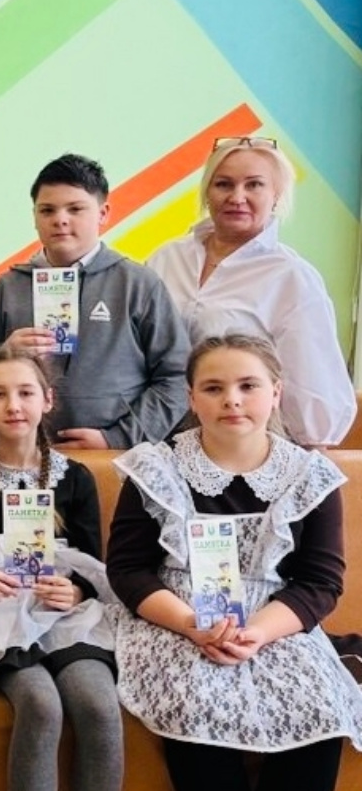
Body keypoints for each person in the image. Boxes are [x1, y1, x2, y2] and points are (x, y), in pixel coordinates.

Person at [106, 334, 362, 791]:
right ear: (192, 398)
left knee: (320, 708)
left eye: (248, 385)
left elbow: (320, 582)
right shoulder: (155, 469)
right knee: (196, 703)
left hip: (276, 622)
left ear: (275, 393)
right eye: (213, 388)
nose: (232, 400)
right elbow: (128, 570)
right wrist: (193, 625)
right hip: (176, 618)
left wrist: (255, 633)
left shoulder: (311, 476)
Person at [0, 346, 121, 791]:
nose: (13, 405)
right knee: (40, 703)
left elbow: (91, 563)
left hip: (61, 614)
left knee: (98, 705)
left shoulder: (74, 477)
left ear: (47, 400)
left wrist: (76, 591)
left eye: (25, 393)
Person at [0, 153, 190, 449]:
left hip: (118, 456)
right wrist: (3, 355)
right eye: (47, 210)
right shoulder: (7, 288)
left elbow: (178, 376)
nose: (60, 220)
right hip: (25, 454)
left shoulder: (138, 284)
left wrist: (117, 438)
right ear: (34, 216)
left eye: (75, 209)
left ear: (103, 213)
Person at [147, 136, 355, 447]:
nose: (237, 197)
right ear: (207, 192)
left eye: (254, 185)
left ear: (276, 194)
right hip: (159, 438)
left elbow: (314, 389)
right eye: (224, 184)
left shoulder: (292, 277)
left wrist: (309, 454)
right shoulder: (166, 258)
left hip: (245, 444)